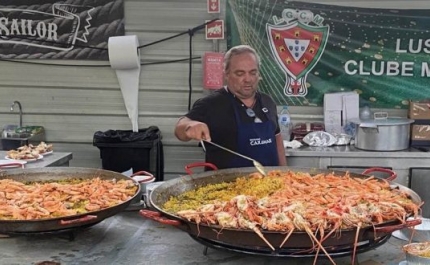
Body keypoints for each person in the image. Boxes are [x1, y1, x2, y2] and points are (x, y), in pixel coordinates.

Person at [174, 44, 287, 170]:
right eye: (240, 73)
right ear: (226, 74)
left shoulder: (267, 101)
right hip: (227, 186)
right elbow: (180, 129)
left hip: (270, 185)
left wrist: (284, 173)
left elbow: (277, 139)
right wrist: (190, 126)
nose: (248, 79)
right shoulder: (212, 103)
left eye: (253, 72)